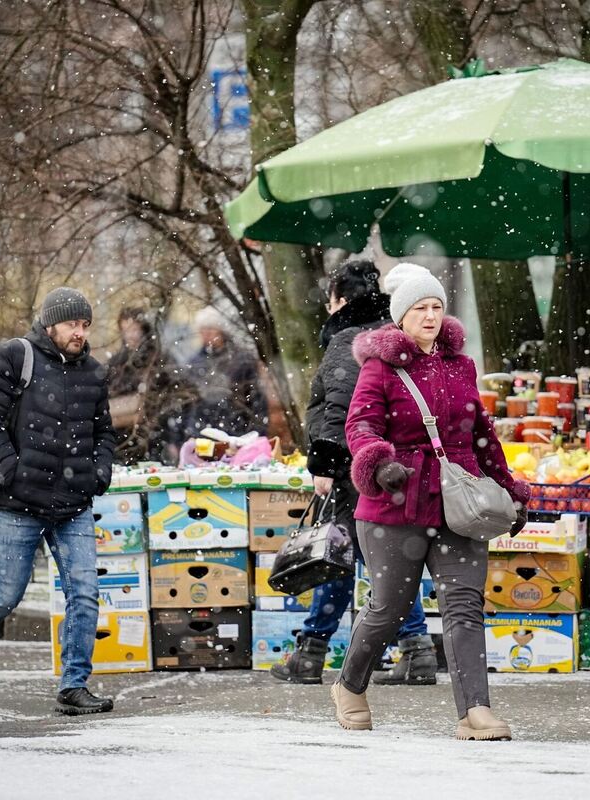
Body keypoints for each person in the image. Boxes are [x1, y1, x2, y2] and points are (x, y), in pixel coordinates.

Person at [334, 263, 529, 739]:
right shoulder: (380, 367)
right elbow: (359, 426)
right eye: (420, 307)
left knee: (464, 605)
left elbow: (481, 435)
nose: (430, 315)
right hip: (394, 505)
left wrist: (511, 489)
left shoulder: (460, 366)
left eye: (437, 306)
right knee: (389, 609)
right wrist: (379, 464)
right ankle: (349, 684)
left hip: (459, 505)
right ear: (400, 316)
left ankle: (474, 712)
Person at [0, 287, 116, 715]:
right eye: (72, 323)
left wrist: (100, 472)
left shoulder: (93, 373)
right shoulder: (16, 356)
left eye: (85, 324)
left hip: (72, 504)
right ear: (51, 323)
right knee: (3, 598)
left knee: (85, 594)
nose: (79, 332)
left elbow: (104, 432)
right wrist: (9, 470)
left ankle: (74, 685)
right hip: (18, 504)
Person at [272, 259, 434, 686]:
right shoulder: (395, 335)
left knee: (351, 557)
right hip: (390, 467)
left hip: (353, 468)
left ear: (340, 300)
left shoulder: (349, 339)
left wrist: (324, 464)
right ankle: (412, 651)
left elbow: (339, 407)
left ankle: (317, 653)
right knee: (368, 557)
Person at [177, 306, 268, 441]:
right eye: (203, 329)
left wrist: (257, 433)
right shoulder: (193, 364)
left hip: (237, 431)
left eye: (211, 328)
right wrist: (183, 435)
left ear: (221, 331)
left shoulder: (242, 359)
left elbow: (256, 399)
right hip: (202, 433)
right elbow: (187, 403)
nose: (207, 333)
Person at [106, 306, 181, 464]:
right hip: (122, 439)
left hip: (154, 436)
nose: (130, 336)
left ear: (143, 329)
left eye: (134, 329)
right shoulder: (116, 363)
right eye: (125, 330)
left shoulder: (159, 359)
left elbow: (175, 397)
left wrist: (171, 436)